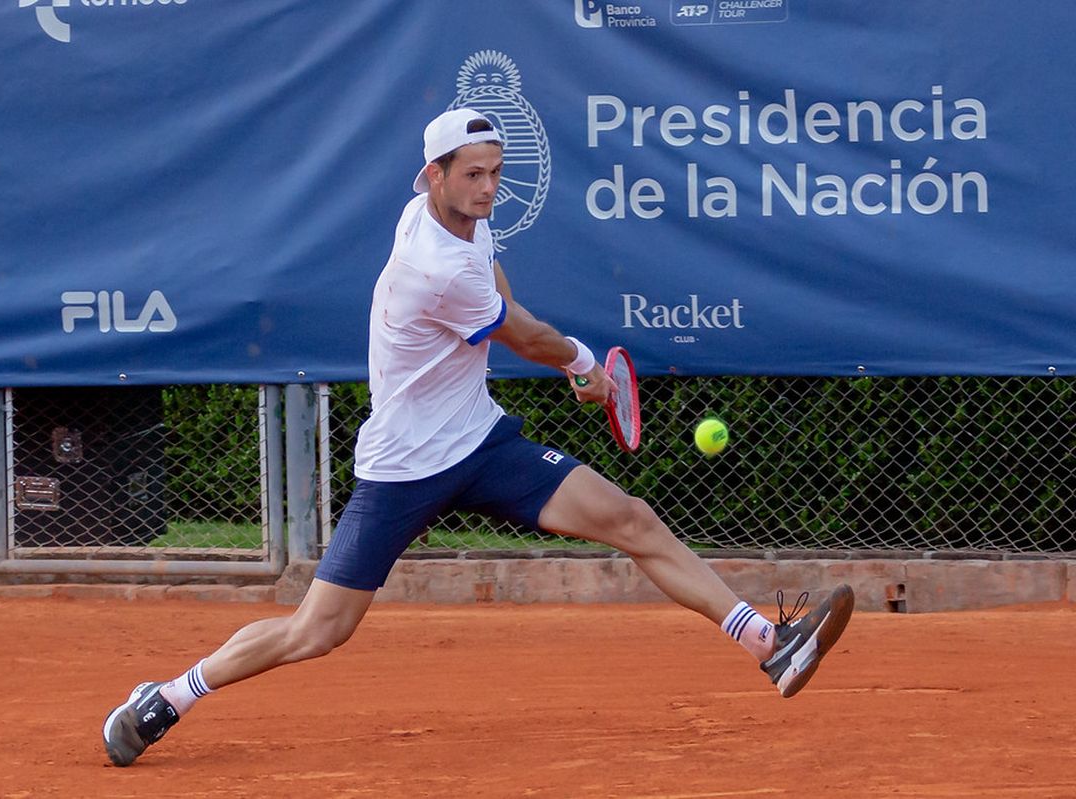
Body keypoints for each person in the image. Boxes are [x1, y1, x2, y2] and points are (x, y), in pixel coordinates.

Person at [102, 108, 855, 767]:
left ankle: (767, 644)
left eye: (495, 173)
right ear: (433, 174)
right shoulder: (431, 264)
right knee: (317, 630)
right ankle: (168, 694)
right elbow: (520, 332)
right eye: (472, 174)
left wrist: (545, 344)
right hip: (404, 469)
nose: (488, 188)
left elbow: (495, 285)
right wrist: (583, 364)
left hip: (480, 441)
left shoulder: (452, 216)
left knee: (630, 517)